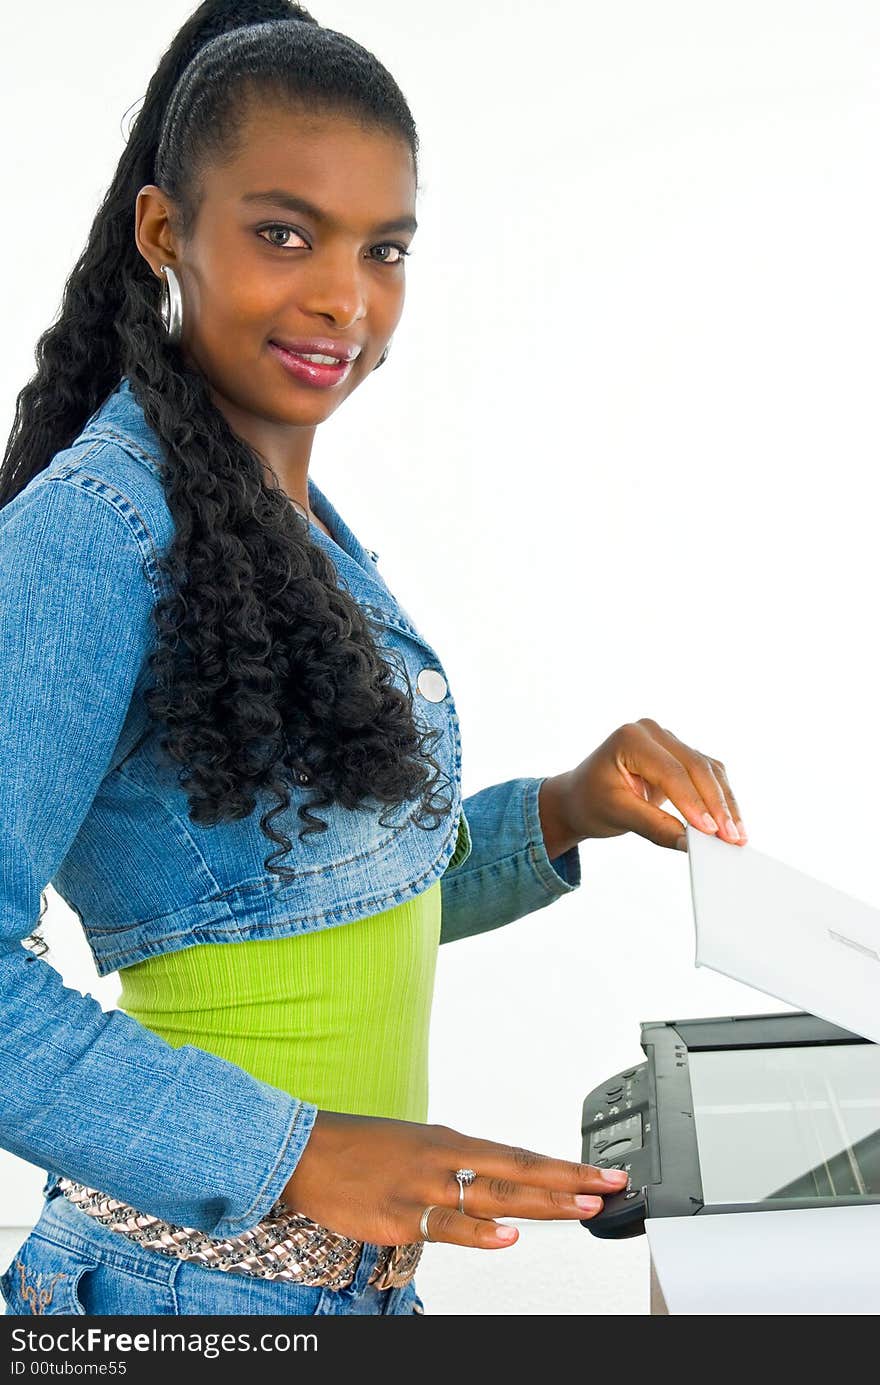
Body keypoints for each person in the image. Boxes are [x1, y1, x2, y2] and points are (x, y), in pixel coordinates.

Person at [0, 0, 746, 1318]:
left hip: (348, 1289)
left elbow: (325, 904)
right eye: (285, 233)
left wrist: (563, 812)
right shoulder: (96, 532)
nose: (345, 297)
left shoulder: (286, 528)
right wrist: (295, 1153)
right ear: (167, 232)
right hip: (177, 1294)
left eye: (383, 247)